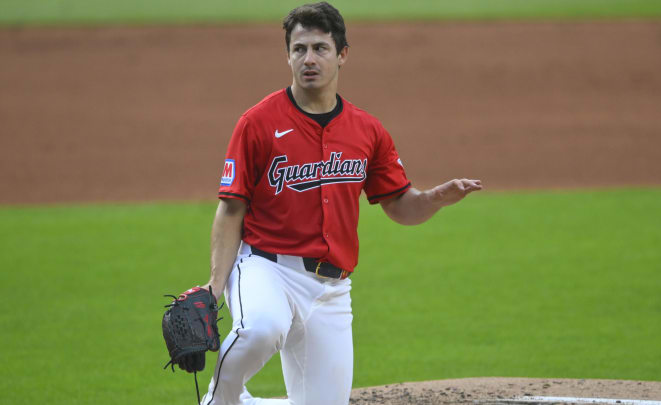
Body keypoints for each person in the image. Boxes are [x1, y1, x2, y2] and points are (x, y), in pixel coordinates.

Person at [199, 2, 482, 404]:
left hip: (332, 288)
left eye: (320, 48)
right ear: (288, 56)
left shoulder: (366, 130)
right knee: (261, 327)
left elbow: (400, 204)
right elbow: (230, 209)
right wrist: (214, 285)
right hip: (265, 267)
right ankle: (219, 396)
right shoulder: (257, 123)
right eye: (299, 49)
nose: (309, 59)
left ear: (342, 54)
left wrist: (435, 199)